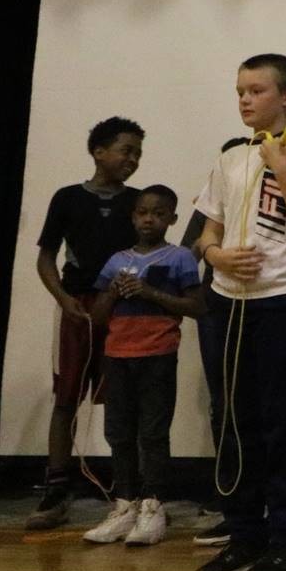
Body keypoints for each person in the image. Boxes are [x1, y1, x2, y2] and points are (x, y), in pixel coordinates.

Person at [191, 53, 286, 571]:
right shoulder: (230, 156)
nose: (245, 100)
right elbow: (206, 232)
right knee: (235, 420)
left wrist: (280, 169)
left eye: (256, 90)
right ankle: (242, 534)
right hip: (229, 300)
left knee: (279, 422)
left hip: (280, 299)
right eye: (240, 91)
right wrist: (215, 256)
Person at [27, 116, 143, 530]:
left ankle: (128, 492)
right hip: (77, 307)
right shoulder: (67, 198)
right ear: (98, 151)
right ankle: (57, 489)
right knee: (67, 398)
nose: (133, 159)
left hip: (122, 311)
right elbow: (46, 258)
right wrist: (62, 298)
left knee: (120, 401)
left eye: (137, 153)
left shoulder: (138, 203)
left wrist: (117, 299)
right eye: (126, 150)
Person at [82, 186, 203, 548]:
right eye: (142, 212)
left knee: (152, 432)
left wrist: (151, 293)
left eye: (159, 213)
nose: (149, 219)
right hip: (118, 355)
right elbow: (97, 316)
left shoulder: (180, 258)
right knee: (119, 432)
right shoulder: (116, 260)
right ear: (133, 216)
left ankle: (153, 506)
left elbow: (196, 306)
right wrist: (113, 293)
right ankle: (124, 506)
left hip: (158, 355)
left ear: (173, 219)